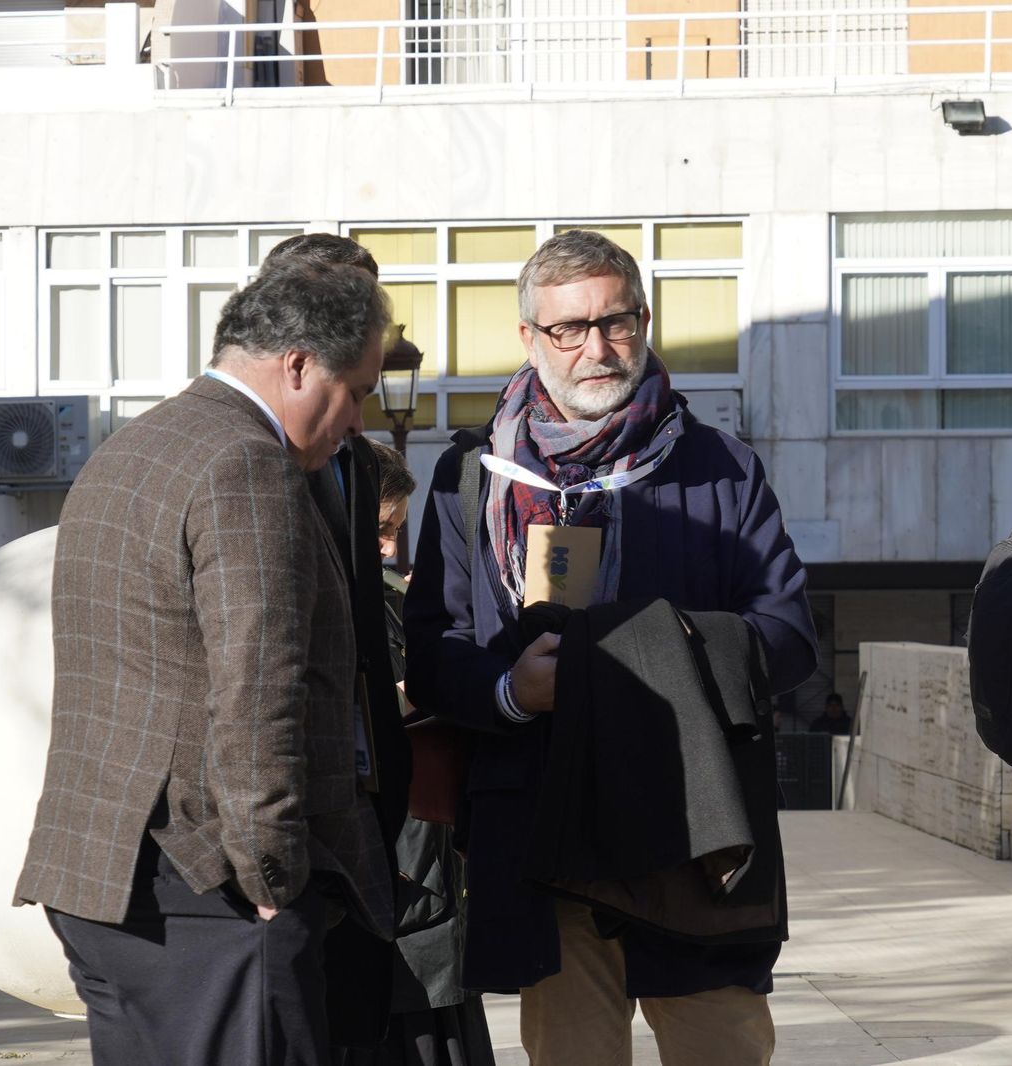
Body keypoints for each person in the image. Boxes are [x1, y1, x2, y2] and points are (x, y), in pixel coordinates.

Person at [402, 229, 817, 1065]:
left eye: (616, 322)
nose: (596, 346)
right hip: (545, 838)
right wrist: (510, 690)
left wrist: (645, 662)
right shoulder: (472, 479)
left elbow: (789, 637)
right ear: (529, 338)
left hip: (693, 837)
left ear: (645, 319)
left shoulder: (720, 467)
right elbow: (433, 647)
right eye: (568, 328)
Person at [14, 259, 396, 1065]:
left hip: (101, 873)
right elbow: (259, 688)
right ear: (297, 364)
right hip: (207, 885)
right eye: (357, 390)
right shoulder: (244, 462)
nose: (358, 421)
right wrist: (270, 876)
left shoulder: (136, 447)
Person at [259, 233, 416, 1054]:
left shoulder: (358, 459)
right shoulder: (241, 453)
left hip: (365, 781)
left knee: (360, 1009)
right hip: (282, 798)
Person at [356, 436, 497, 1066]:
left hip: (428, 866)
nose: (390, 545)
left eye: (397, 530)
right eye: (381, 528)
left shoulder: (386, 600)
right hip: (399, 873)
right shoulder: (334, 602)